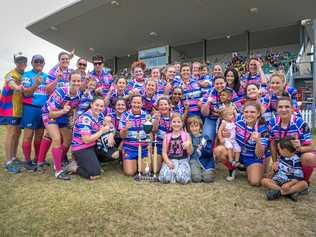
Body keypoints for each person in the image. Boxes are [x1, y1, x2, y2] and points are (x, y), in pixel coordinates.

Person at [37, 71, 82, 180]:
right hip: (49, 114)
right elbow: (51, 113)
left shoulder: (78, 94)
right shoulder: (61, 91)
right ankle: (58, 171)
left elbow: (75, 108)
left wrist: (73, 118)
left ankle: (57, 161)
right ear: (69, 81)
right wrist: (63, 111)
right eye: (74, 81)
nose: (76, 83)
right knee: (56, 139)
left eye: (78, 81)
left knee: (68, 139)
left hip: (62, 114)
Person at [214, 101, 269, 185]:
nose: (248, 114)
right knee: (219, 150)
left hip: (252, 158)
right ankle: (232, 167)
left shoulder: (263, 129)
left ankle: (248, 168)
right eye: (246, 112)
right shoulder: (238, 121)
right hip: (237, 153)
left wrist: (258, 141)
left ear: (258, 114)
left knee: (255, 182)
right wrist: (224, 133)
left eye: (252, 112)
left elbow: (259, 155)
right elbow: (225, 129)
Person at [268, 96, 316, 184]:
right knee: (269, 178)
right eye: (280, 107)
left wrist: (299, 148)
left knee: (309, 157)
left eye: (287, 107)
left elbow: (311, 147)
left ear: (292, 109)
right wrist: (275, 162)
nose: (283, 109)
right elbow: (272, 143)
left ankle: (303, 182)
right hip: (284, 155)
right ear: (276, 109)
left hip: (300, 154)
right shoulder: (272, 123)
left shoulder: (300, 123)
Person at [72, 97, 112, 180]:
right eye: (97, 105)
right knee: (94, 174)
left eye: (101, 106)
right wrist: (102, 131)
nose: (99, 108)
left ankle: (93, 162)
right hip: (81, 147)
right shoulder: (85, 118)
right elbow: (86, 140)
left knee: (114, 153)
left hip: (93, 145)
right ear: (91, 105)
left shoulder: (100, 115)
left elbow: (109, 125)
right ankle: (74, 167)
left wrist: (109, 129)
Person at [0, 53, 27, 173]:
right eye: (19, 61)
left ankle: (14, 157)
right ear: (16, 63)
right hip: (8, 109)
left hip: (19, 109)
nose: (22, 63)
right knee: (11, 133)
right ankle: (8, 162)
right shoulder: (10, 74)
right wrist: (17, 87)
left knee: (16, 133)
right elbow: (11, 83)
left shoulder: (24, 75)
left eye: (24, 61)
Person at [21, 55, 49, 170]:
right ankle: (27, 161)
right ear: (32, 63)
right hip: (30, 108)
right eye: (36, 61)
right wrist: (36, 84)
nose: (39, 63)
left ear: (43, 63)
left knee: (39, 137)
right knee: (28, 136)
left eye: (41, 61)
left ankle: (37, 159)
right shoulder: (27, 75)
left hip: (43, 110)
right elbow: (26, 93)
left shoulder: (47, 76)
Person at [261, 136, 308, 201]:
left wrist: (289, 184)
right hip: (278, 181)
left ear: (285, 150)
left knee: (304, 184)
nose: (278, 151)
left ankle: (280, 192)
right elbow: (274, 172)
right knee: (264, 181)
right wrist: (272, 171)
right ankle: (288, 192)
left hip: (290, 182)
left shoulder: (296, 160)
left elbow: (297, 178)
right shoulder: (281, 158)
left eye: (279, 149)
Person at [159, 113, 193, 184]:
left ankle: (177, 173)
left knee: (182, 178)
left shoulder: (186, 135)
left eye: (178, 122)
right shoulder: (167, 136)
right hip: (171, 160)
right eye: (174, 122)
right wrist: (168, 162)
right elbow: (164, 152)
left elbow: (190, 152)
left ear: (182, 123)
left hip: (182, 161)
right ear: (171, 123)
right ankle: (172, 173)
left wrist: (189, 145)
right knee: (164, 178)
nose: (176, 124)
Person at [119, 95, 148, 176]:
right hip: (129, 147)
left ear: (142, 104)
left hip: (143, 148)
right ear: (131, 103)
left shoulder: (146, 115)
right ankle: (126, 161)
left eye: (138, 103)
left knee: (145, 172)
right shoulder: (125, 115)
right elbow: (122, 136)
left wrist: (149, 146)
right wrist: (125, 128)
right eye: (134, 102)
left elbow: (150, 133)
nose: (136, 105)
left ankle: (138, 161)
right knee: (130, 172)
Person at [187, 116, 215, 183]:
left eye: (196, 126)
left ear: (200, 127)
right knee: (196, 178)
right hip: (194, 159)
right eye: (192, 126)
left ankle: (205, 172)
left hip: (205, 159)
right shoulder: (188, 137)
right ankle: (198, 172)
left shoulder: (205, 138)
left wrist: (202, 149)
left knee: (208, 178)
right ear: (189, 128)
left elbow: (209, 152)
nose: (194, 128)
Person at [217, 108, 241, 178]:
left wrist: (234, 111)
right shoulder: (224, 122)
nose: (232, 116)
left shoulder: (233, 121)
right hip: (227, 140)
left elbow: (237, 116)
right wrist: (221, 138)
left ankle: (236, 161)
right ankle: (231, 160)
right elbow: (219, 131)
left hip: (233, 140)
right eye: (230, 115)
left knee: (238, 149)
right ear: (225, 117)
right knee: (229, 147)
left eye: (232, 114)